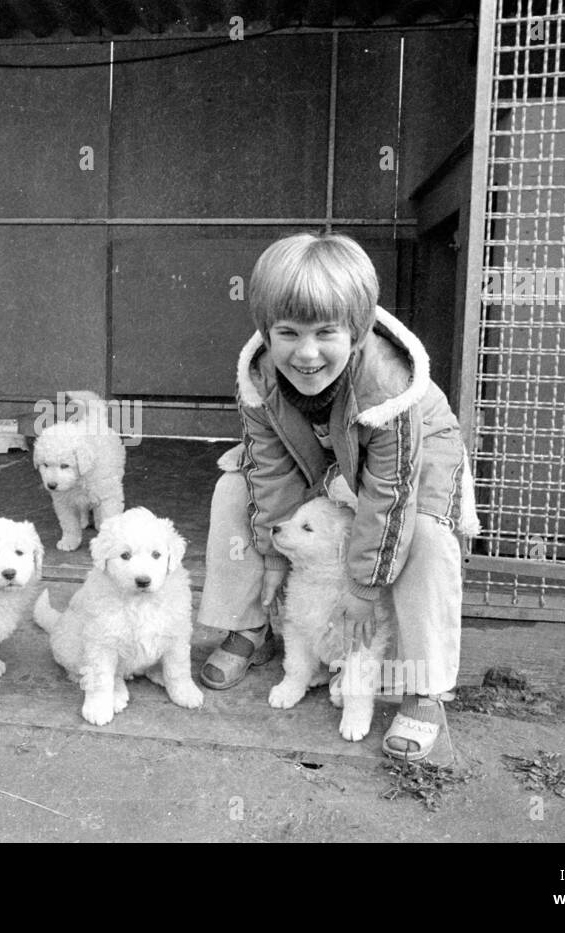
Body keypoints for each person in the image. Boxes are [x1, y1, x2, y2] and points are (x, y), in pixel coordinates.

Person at [196, 232, 478, 760]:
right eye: (288, 332)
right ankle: (248, 627)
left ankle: (424, 686)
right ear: (265, 331)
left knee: (424, 534)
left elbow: (390, 494)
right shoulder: (259, 377)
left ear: (359, 328)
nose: (306, 353)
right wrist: (275, 556)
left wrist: (365, 587)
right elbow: (271, 466)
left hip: (410, 464)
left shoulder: (388, 384)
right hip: (326, 464)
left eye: (326, 332)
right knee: (233, 489)